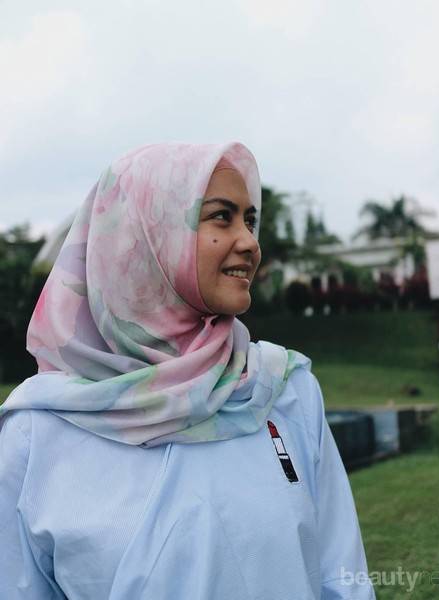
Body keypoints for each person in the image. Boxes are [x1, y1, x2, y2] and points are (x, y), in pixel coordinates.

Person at [0, 142, 375, 599]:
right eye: (221, 216)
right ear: (145, 238)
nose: (250, 242)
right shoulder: (37, 433)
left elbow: (342, 578)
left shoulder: (283, 390)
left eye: (249, 220)